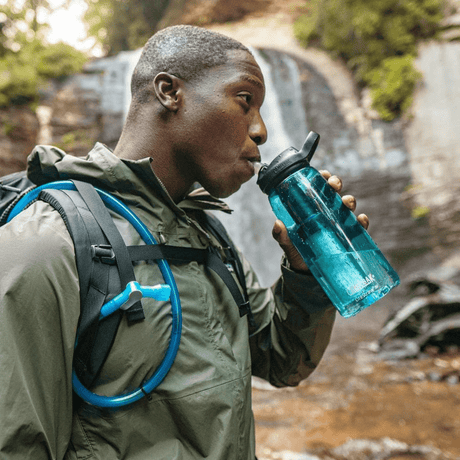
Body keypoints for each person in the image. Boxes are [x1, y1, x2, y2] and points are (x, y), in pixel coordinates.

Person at [0, 25, 369, 459]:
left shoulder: (206, 235)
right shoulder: (48, 242)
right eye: (245, 101)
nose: (263, 131)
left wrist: (306, 270)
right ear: (169, 92)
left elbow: (282, 361)